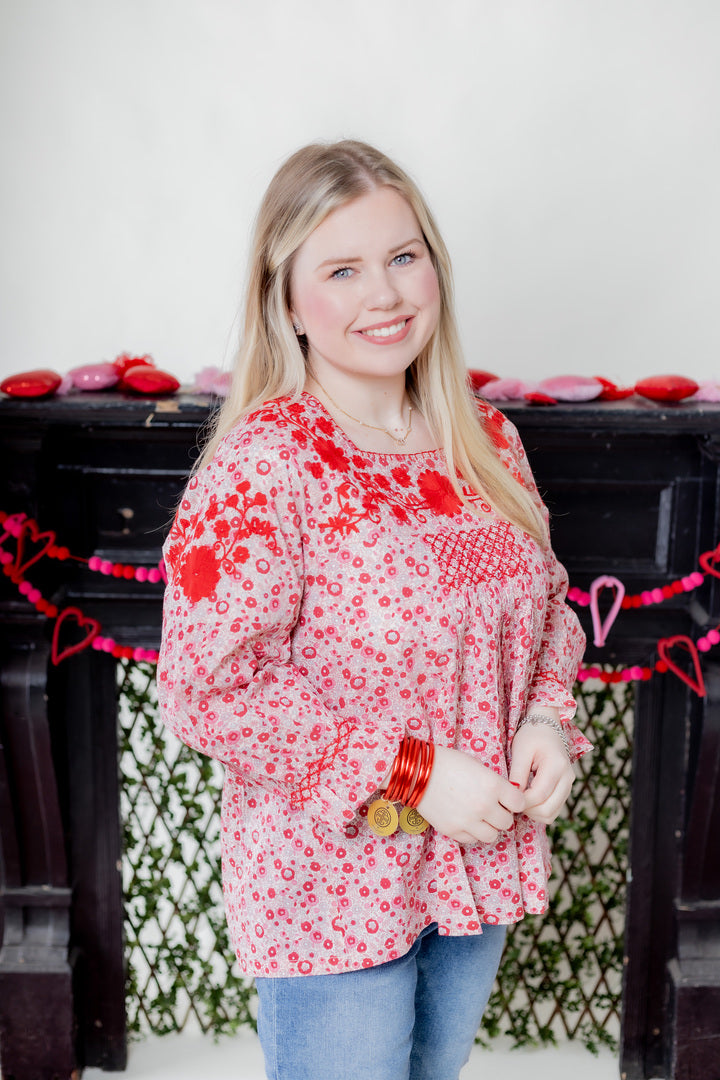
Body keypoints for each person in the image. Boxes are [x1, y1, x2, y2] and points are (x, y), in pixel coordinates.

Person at [157, 139, 591, 1080]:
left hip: (476, 866)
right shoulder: (264, 467)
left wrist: (552, 719)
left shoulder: (487, 440)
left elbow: (550, 607)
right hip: (331, 889)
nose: (384, 296)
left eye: (402, 257)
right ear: (287, 301)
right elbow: (207, 693)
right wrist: (417, 774)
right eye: (342, 270)